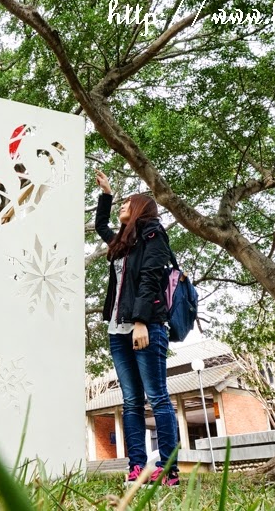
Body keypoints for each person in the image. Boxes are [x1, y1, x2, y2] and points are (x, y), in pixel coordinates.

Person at [94, 169, 179, 486]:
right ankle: (136, 467)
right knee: (131, 402)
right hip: (117, 331)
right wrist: (107, 194)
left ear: (141, 208)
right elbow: (101, 225)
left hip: (145, 327)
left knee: (157, 398)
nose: (122, 206)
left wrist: (142, 322)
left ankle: (169, 469)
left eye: (126, 202)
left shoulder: (154, 235)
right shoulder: (123, 241)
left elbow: (151, 279)